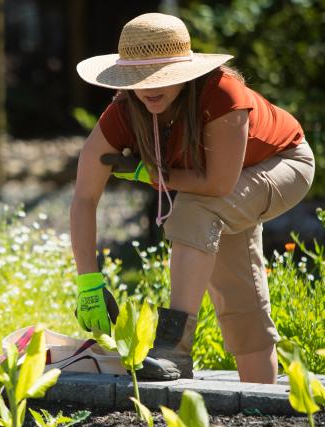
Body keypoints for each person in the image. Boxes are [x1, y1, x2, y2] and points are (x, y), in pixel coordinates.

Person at [71, 13, 314, 384]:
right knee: (240, 304)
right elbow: (85, 197)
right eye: (138, 77)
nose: (149, 87)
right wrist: (88, 281)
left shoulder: (221, 94)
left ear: (184, 72)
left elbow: (217, 184)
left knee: (194, 208)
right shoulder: (122, 113)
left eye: (160, 76)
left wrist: (149, 174)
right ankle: (259, 406)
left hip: (284, 164)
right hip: (222, 193)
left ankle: (174, 349)